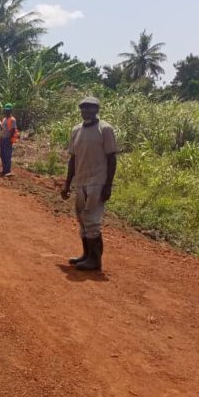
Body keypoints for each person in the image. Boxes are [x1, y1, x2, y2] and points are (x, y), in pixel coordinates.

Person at [60, 96, 118, 271]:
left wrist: (108, 185)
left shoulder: (105, 129)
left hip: (97, 182)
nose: (86, 111)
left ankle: (95, 261)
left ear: (97, 110)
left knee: (92, 221)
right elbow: (73, 159)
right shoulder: (76, 130)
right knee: (82, 220)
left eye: (90, 108)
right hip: (81, 182)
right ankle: (86, 255)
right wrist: (67, 184)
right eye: (83, 108)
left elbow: (112, 159)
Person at [0, 103, 17, 177]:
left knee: (7, 155)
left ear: (10, 111)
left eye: (8, 110)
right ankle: (4, 170)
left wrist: (10, 139)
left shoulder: (12, 119)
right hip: (3, 139)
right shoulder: (4, 119)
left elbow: (13, 130)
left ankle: (7, 171)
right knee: (2, 155)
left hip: (7, 139)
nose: (6, 112)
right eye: (6, 110)